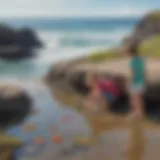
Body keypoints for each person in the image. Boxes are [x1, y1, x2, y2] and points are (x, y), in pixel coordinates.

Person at [127, 43, 146, 120]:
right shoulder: (141, 60)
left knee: (134, 99)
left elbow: (132, 74)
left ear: (130, 52)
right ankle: (140, 113)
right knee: (140, 99)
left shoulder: (132, 61)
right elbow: (143, 71)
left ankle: (136, 114)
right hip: (141, 82)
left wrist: (129, 83)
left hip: (135, 82)